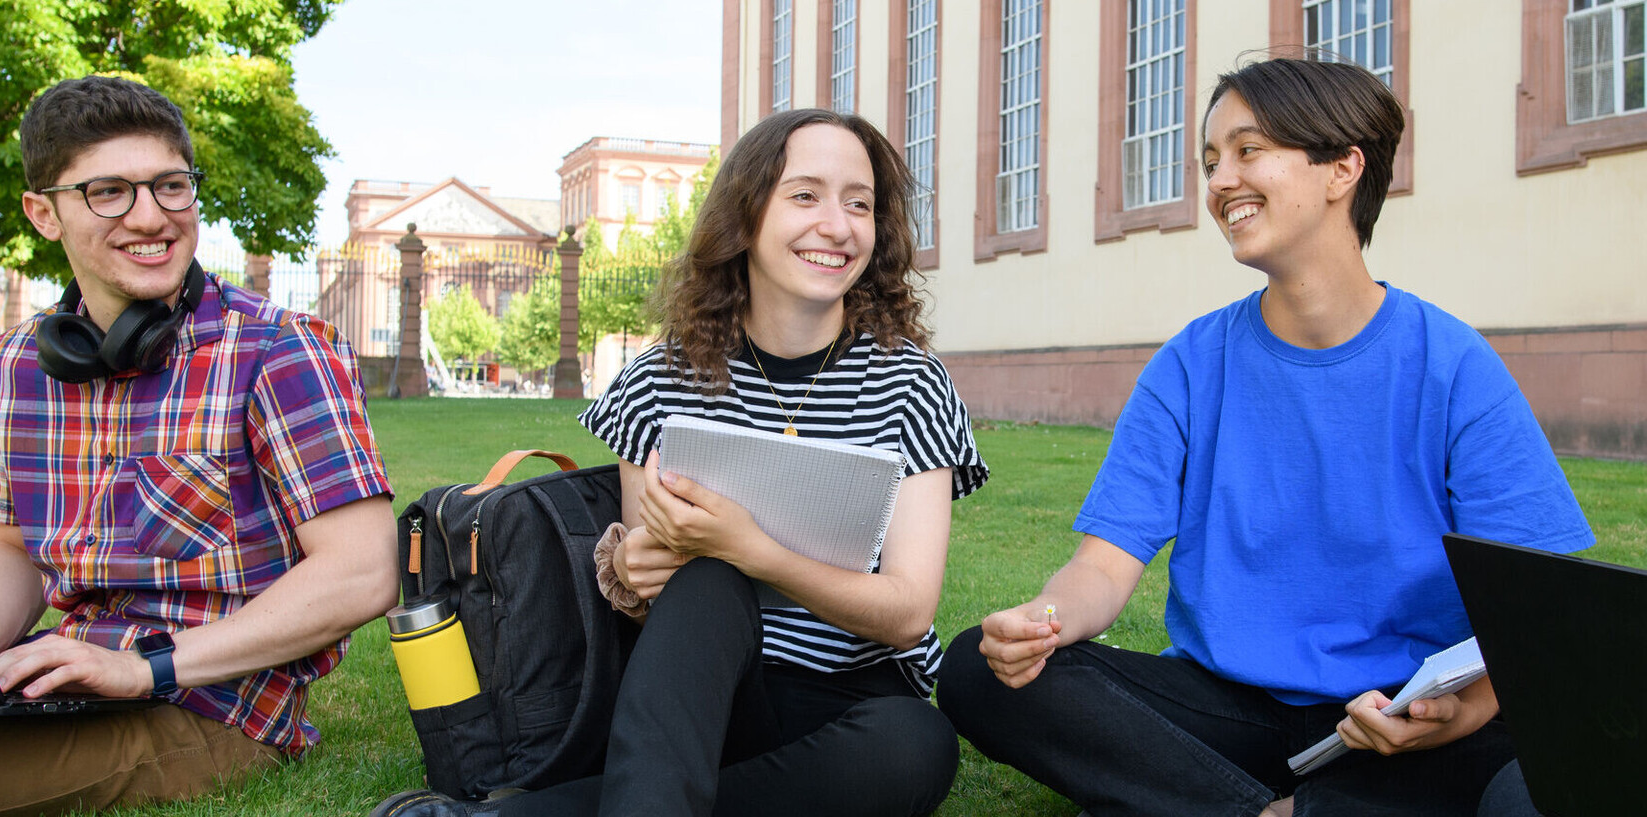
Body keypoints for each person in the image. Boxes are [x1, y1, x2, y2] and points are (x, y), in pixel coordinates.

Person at [936, 57, 1594, 817]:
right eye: (1212, 161)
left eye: (1249, 151)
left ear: (1342, 167)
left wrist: (1471, 708)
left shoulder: (1453, 366)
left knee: (1541, 783)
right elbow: (1102, 569)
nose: (1220, 181)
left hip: (1397, 721)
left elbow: (1534, 617)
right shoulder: (1191, 362)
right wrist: (1039, 623)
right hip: (1228, 714)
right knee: (979, 672)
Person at [371, 108, 988, 817]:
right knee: (707, 578)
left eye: (860, 202)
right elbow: (652, 594)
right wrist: (634, 568)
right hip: (707, 696)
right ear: (746, 215)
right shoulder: (661, 379)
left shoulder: (911, 382)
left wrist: (755, 548)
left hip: (853, 701)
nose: (839, 224)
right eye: (806, 195)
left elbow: (909, 613)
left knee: (917, 743)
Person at [0, 76, 399, 816]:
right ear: (44, 213)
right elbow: (11, 546)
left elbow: (362, 573)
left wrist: (144, 668)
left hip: (212, 706)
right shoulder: (13, 368)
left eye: (171, 186)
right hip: (70, 680)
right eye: (109, 191)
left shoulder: (280, 351)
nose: (152, 216)